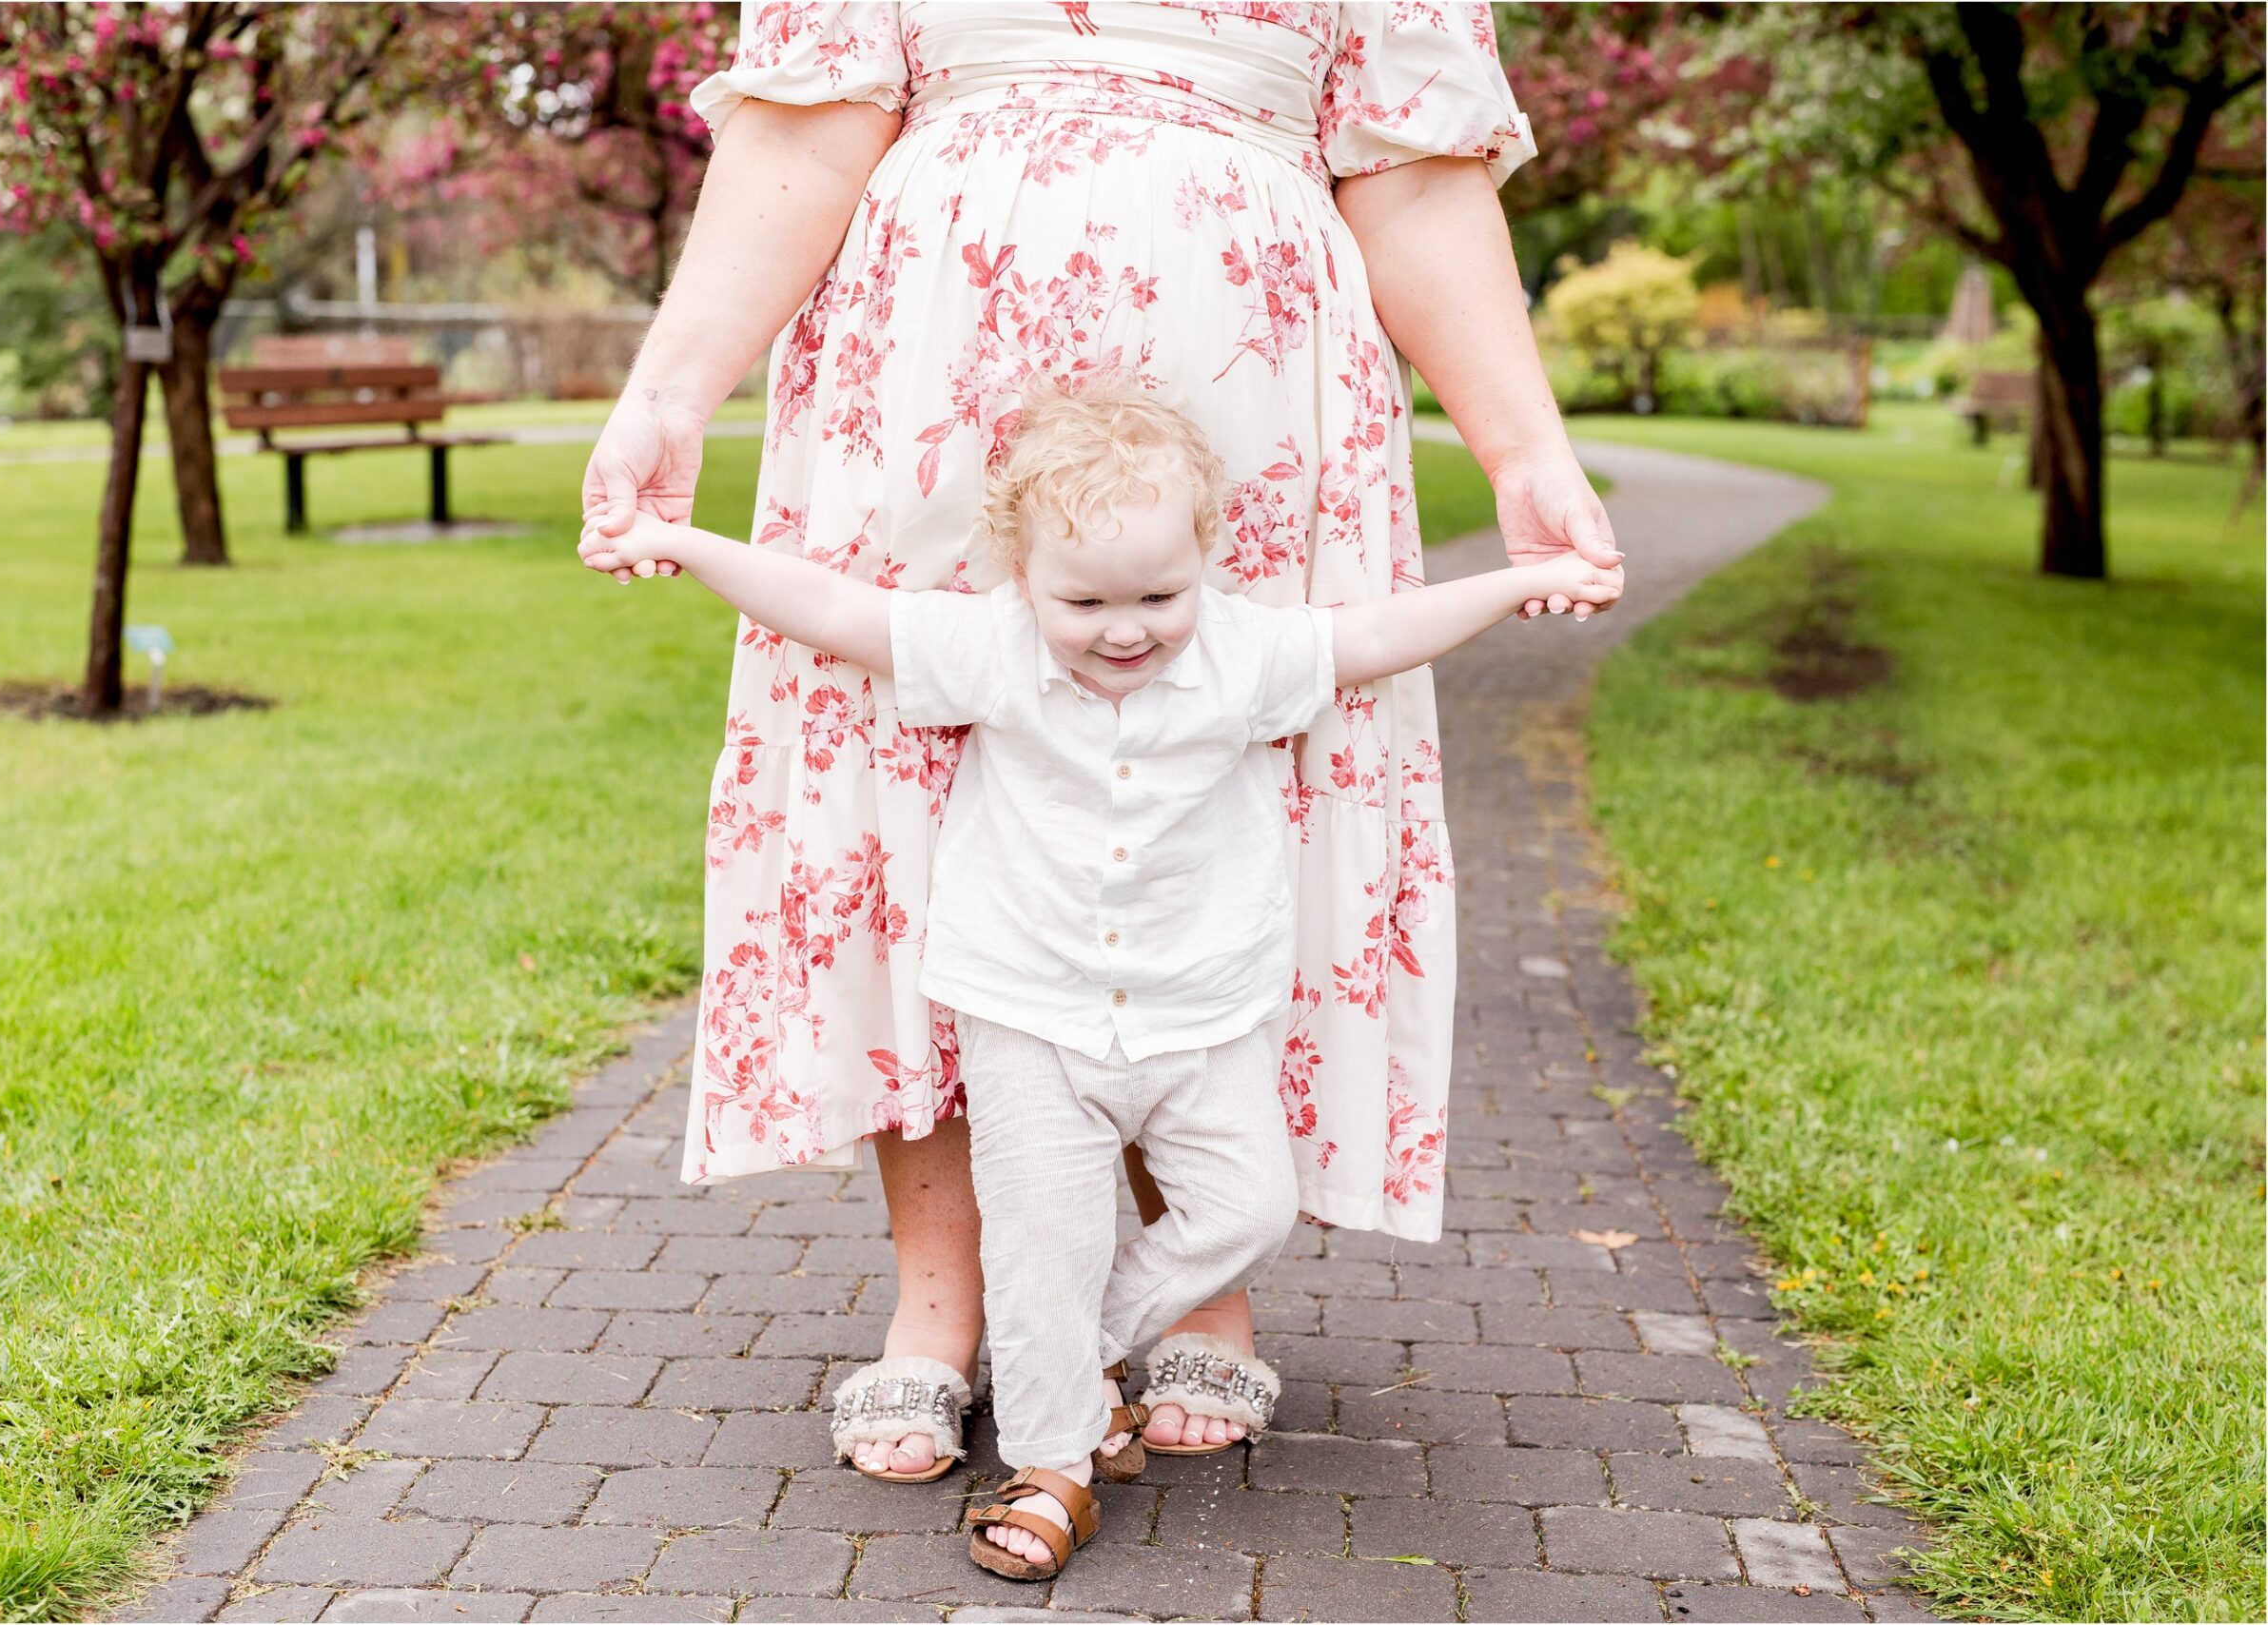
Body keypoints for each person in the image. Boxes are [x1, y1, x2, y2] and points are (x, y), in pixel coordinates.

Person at [579, 1, 1622, 1480]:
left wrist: (1526, 449)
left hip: (1246, 384)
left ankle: (1202, 1277)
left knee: (1218, 803)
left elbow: (1416, 167)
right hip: (935, 365)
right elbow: (810, 121)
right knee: (919, 797)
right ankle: (944, 1306)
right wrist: (669, 389)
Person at [582, 374, 1620, 1577]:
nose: (1123, 629)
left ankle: (1065, 1352)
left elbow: (1380, 636)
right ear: (1020, 575)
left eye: (1158, 595)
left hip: (1206, 1017)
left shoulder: (1242, 654)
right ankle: (1051, 1466)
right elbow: (824, 606)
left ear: (1206, 559)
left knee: (1246, 1208)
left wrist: (1522, 581)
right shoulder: (990, 649)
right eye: (1083, 600)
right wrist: (676, 538)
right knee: (1038, 1246)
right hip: (1031, 1018)